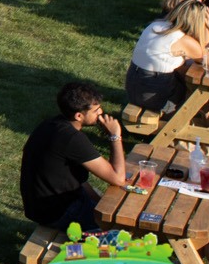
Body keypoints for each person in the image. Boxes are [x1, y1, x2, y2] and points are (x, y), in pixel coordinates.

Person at [18, 81, 127, 228]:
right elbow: (118, 178)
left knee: (112, 210)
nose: (101, 113)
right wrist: (115, 136)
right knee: (122, 228)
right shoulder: (72, 139)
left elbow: (79, 180)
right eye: (96, 111)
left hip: (41, 206)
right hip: (58, 211)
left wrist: (99, 203)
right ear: (78, 116)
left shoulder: (51, 124)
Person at [125, 0, 209, 115]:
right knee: (195, 97)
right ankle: (178, 122)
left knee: (184, 79)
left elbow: (202, 51)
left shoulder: (155, 26)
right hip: (152, 98)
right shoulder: (183, 40)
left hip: (133, 88)